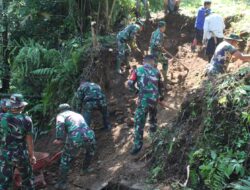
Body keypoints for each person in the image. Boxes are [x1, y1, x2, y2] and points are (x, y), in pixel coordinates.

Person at [127, 55, 164, 155]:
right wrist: (161, 97)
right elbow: (161, 87)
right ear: (152, 62)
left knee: (139, 122)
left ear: (144, 61)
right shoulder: (157, 72)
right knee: (153, 117)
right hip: (154, 101)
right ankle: (154, 136)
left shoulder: (138, 70)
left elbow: (129, 84)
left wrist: (136, 92)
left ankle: (137, 146)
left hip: (143, 100)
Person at [53, 104, 96, 189]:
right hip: (89, 135)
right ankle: (85, 170)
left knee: (65, 160)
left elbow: (60, 126)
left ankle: (62, 184)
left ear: (60, 110)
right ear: (69, 108)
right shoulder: (77, 114)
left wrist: (59, 138)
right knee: (90, 152)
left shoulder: (61, 115)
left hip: (75, 138)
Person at [0, 94, 36, 190]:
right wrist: (32, 155)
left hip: (4, 154)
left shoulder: (1, 117)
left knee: (3, 183)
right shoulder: (27, 119)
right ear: (22, 106)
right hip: (21, 154)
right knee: (28, 181)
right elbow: (29, 140)